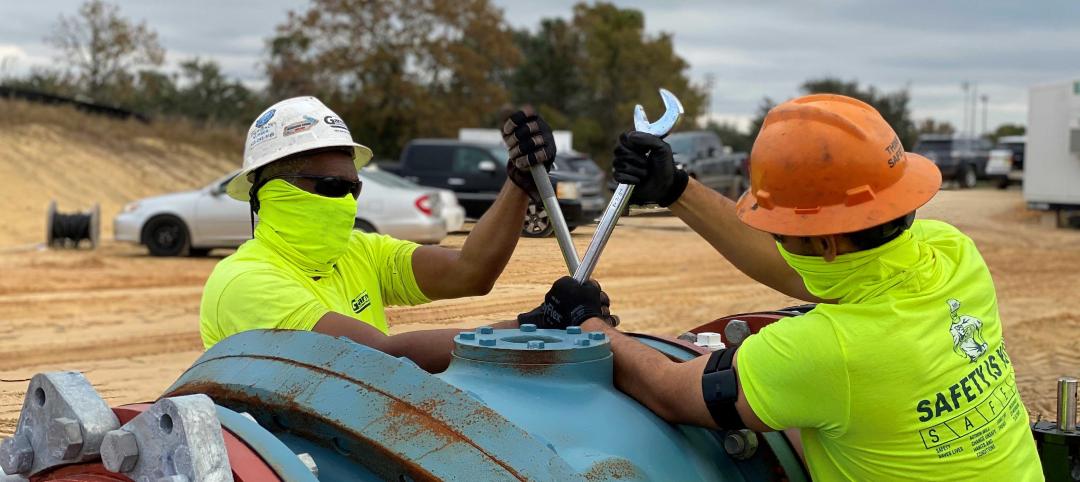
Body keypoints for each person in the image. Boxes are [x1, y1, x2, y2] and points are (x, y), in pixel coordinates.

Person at [527, 94, 1043, 480]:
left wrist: (586, 322)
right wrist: (676, 189)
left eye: (782, 233)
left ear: (825, 246)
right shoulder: (953, 254)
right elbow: (807, 272)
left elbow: (668, 392)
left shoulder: (827, 352)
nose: (776, 242)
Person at [200, 96, 578, 372]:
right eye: (333, 186)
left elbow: (469, 271)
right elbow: (379, 356)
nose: (347, 200)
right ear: (271, 190)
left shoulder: (357, 251)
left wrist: (518, 180)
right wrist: (532, 328)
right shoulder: (245, 281)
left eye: (354, 189)